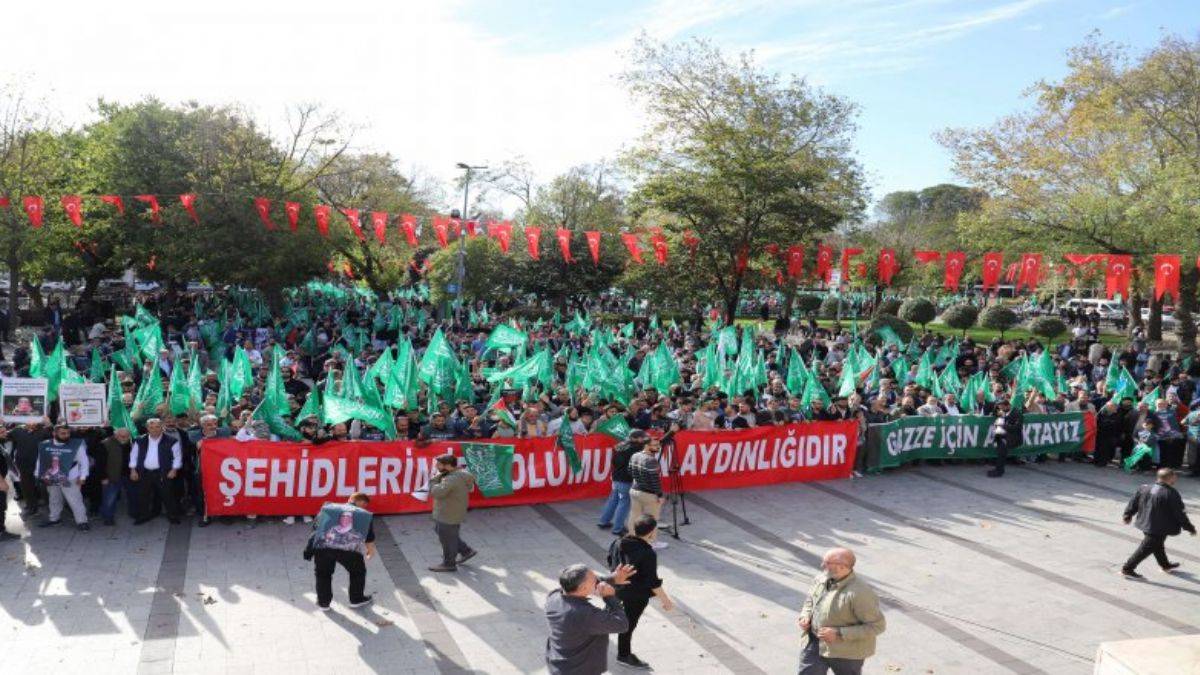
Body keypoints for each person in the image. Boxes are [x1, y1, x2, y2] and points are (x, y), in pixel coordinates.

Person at [797, 547, 886, 675]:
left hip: (847, 653)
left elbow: (877, 626)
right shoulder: (821, 579)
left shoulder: (860, 593)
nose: (823, 565)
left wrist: (838, 633)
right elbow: (811, 600)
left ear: (842, 567)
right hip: (814, 643)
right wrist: (805, 615)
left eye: (827, 563)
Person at [544, 563, 637, 675]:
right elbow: (622, 624)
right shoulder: (583, 614)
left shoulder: (554, 596)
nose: (598, 581)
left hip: (559, 663)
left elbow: (581, 583)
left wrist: (612, 578)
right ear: (583, 588)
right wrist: (610, 597)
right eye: (595, 581)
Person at [610, 515, 674, 669]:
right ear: (651, 533)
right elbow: (652, 581)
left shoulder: (618, 542)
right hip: (636, 595)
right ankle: (624, 655)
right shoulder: (648, 553)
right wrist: (666, 601)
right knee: (629, 624)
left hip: (618, 589)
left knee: (622, 620)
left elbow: (610, 560)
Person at [1121, 468, 1196, 578]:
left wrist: (1127, 515)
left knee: (1157, 545)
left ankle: (1165, 565)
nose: (1176, 478)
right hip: (1159, 527)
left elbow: (1134, 501)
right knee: (1145, 548)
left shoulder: (1145, 488)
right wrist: (1189, 528)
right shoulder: (1171, 493)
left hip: (1145, 522)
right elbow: (1179, 514)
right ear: (1170, 478)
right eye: (1175, 476)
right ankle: (1127, 568)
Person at [312, 492, 377, 611]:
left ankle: (323, 603)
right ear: (361, 502)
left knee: (323, 574)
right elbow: (369, 537)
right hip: (348, 549)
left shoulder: (329, 507)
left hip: (323, 547)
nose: (364, 508)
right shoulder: (363, 514)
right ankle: (356, 599)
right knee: (358, 572)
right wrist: (370, 551)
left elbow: (316, 526)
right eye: (365, 505)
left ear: (350, 499)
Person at [427, 453, 478, 572]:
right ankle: (466, 551)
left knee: (447, 538)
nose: (436, 467)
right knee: (442, 532)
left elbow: (436, 492)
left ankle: (449, 563)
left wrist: (434, 479)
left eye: (439, 465)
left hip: (448, 513)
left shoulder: (451, 479)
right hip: (453, 511)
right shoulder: (460, 474)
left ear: (449, 466)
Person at [36, 422, 91, 530]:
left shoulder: (76, 444)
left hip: (71, 476)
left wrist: (83, 476)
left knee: (75, 499)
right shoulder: (45, 444)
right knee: (54, 498)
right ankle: (54, 519)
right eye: (63, 433)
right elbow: (40, 461)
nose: (66, 435)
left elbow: (84, 461)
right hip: (51, 476)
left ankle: (82, 521)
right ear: (54, 433)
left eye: (68, 433)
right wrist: (37, 474)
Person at [130, 418, 183, 525]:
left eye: (157, 427)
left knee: (167, 495)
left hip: (163, 472)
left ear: (162, 427)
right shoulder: (139, 440)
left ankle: (172, 516)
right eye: (151, 427)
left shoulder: (171, 441)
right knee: (143, 495)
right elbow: (133, 456)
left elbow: (177, 457)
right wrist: (133, 470)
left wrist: (174, 469)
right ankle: (144, 516)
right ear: (147, 428)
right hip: (144, 472)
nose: (154, 429)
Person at [626, 431, 667, 548]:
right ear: (646, 445)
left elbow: (629, 471)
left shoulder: (635, 455)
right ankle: (651, 542)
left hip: (634, 490)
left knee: (634, 516)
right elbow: (655, 481)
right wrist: (659, 495)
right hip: (649, 494)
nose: (658, 448)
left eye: (658, 445)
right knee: (652, 519)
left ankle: (632, 539)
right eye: (654, 445)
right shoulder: (651, 460)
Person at [596, 430, 641, 537]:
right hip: (626, 480)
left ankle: (604, 521)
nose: (642, 439)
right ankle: (618, 528)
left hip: (616, 478)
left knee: (613, 500)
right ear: (635, 438)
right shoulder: (635, 449)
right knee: (624, 503)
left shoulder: (620, 446)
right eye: (641, 437)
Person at [99, 427, 135, 526]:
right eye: (121, 436)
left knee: (133, 496)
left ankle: (134, 513)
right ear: (115, 435)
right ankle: (108, 518)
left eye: (126, 436)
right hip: (112, 476)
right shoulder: (105, 444)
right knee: (109, 498)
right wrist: (103, 477)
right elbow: (100, 463)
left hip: (129, 475)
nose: (124, 438)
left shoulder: (133, 443)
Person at [987, 401, 1022, 478]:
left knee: (1002, 448)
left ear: (1008, 406)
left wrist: (1003, 425)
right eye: (1000, 408)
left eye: (1002, 407)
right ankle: (997, 467)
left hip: (1013, 437)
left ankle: (999, 471)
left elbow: (1016, 428)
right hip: (1003, 435)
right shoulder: (1003, 412)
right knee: (998, 446)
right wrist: (997, 408)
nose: (1001, 409)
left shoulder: (1016, 413)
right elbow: (994, 412)